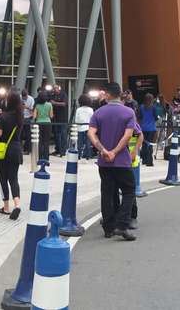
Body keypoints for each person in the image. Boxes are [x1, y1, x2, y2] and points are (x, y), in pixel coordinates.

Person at [88, 82, 137, 241]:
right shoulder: (128, 112)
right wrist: (115, 152)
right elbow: (128, 135)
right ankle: (122, 224)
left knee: (107, 193)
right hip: (122, 160)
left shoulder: (98, 113)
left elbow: (91, 133)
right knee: (129, 191)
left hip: (104, 161)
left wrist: (104, 151)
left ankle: (108, 228)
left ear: (107, 95)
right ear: (120, 94)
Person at [0, 90, 24, 220]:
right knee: (13, 178)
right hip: (16, 150)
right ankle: (17, 205)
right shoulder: (20, 117)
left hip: (3, 151)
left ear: (9, 102)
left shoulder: (3, 117)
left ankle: (6, 207)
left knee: (3, 179)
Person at [138, 93, 158, 166]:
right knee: (150, 145)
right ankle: (149, 161)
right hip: (151, 128)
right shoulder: (153, 108)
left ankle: (144, 160)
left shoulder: (141, 107)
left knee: (143, 145)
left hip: (143, 128)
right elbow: (156, 117)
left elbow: (139, 117)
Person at [34, 92, 54, 161]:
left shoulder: (37, 106)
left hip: (39, 123)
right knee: (46, 141)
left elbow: (34, 116)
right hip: (47, 123)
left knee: (40, 141)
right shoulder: (49, 104)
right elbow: (51, 116)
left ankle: (40, 157)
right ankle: (46, 158)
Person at [50, 85, 69, 157]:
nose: (55, 90)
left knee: (63, 135)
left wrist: (55, 103)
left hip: (63, 119)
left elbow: (64, 104)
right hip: (55, 118)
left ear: (59, 88)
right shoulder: (53, 95)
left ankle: (63, 151)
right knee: (56, 135)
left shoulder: (63, 95)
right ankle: (57, 149)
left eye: (56, 88)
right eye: (53, 88)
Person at [74, 95, 94, 159]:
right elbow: (92, 118)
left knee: (80, 142)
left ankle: (79, 155)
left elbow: (76, 119)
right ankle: (88, 155)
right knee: (88, 142)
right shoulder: (91, 109)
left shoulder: (78, 109)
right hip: (88, 127)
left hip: (80, 127)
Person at [21, 89, 35, 154]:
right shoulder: (19, 98)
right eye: (23, 97)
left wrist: (26, 107)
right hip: (20, 117)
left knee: (28, 134)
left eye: (25, 97)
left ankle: (27, 149)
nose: (24, 98)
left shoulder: (31, 99)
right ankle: (20, 148)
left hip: (28, 117)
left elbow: (33, 109)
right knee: (19, 134)